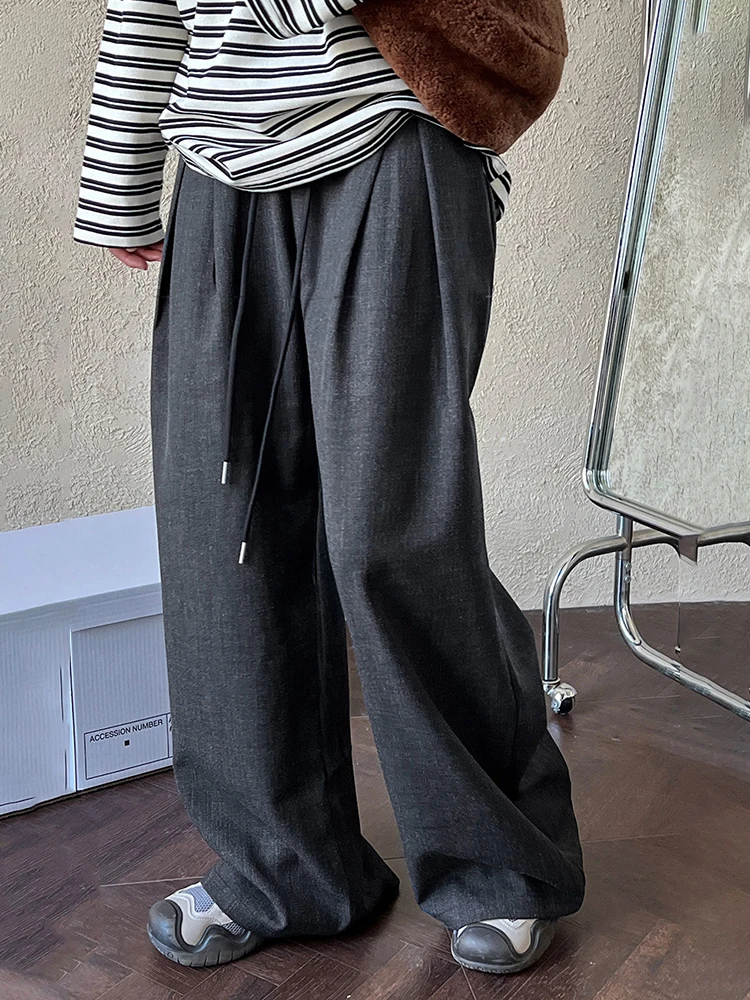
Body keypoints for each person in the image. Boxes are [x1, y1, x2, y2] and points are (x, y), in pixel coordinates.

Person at [74, 0, 585, 977]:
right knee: (221, 524)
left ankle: (501, 863)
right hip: (221, 163)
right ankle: (284, 865)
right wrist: (120, 176)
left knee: (394, 528)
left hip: (393, 130)